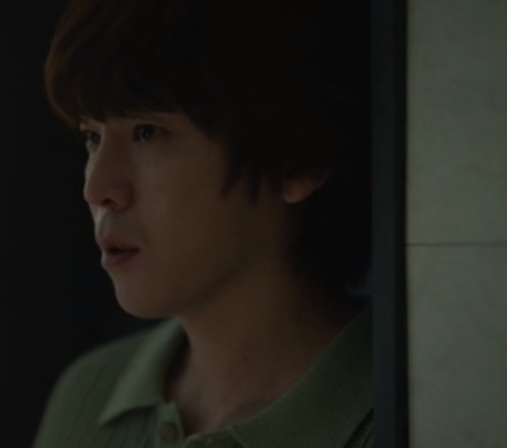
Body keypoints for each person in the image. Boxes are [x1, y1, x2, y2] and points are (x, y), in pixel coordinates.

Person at [32, 0, 372, 446]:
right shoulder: (90, 396)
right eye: (92, 137)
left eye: (148, 132)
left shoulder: (404, 407)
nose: (97, 189)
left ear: (297, 159)